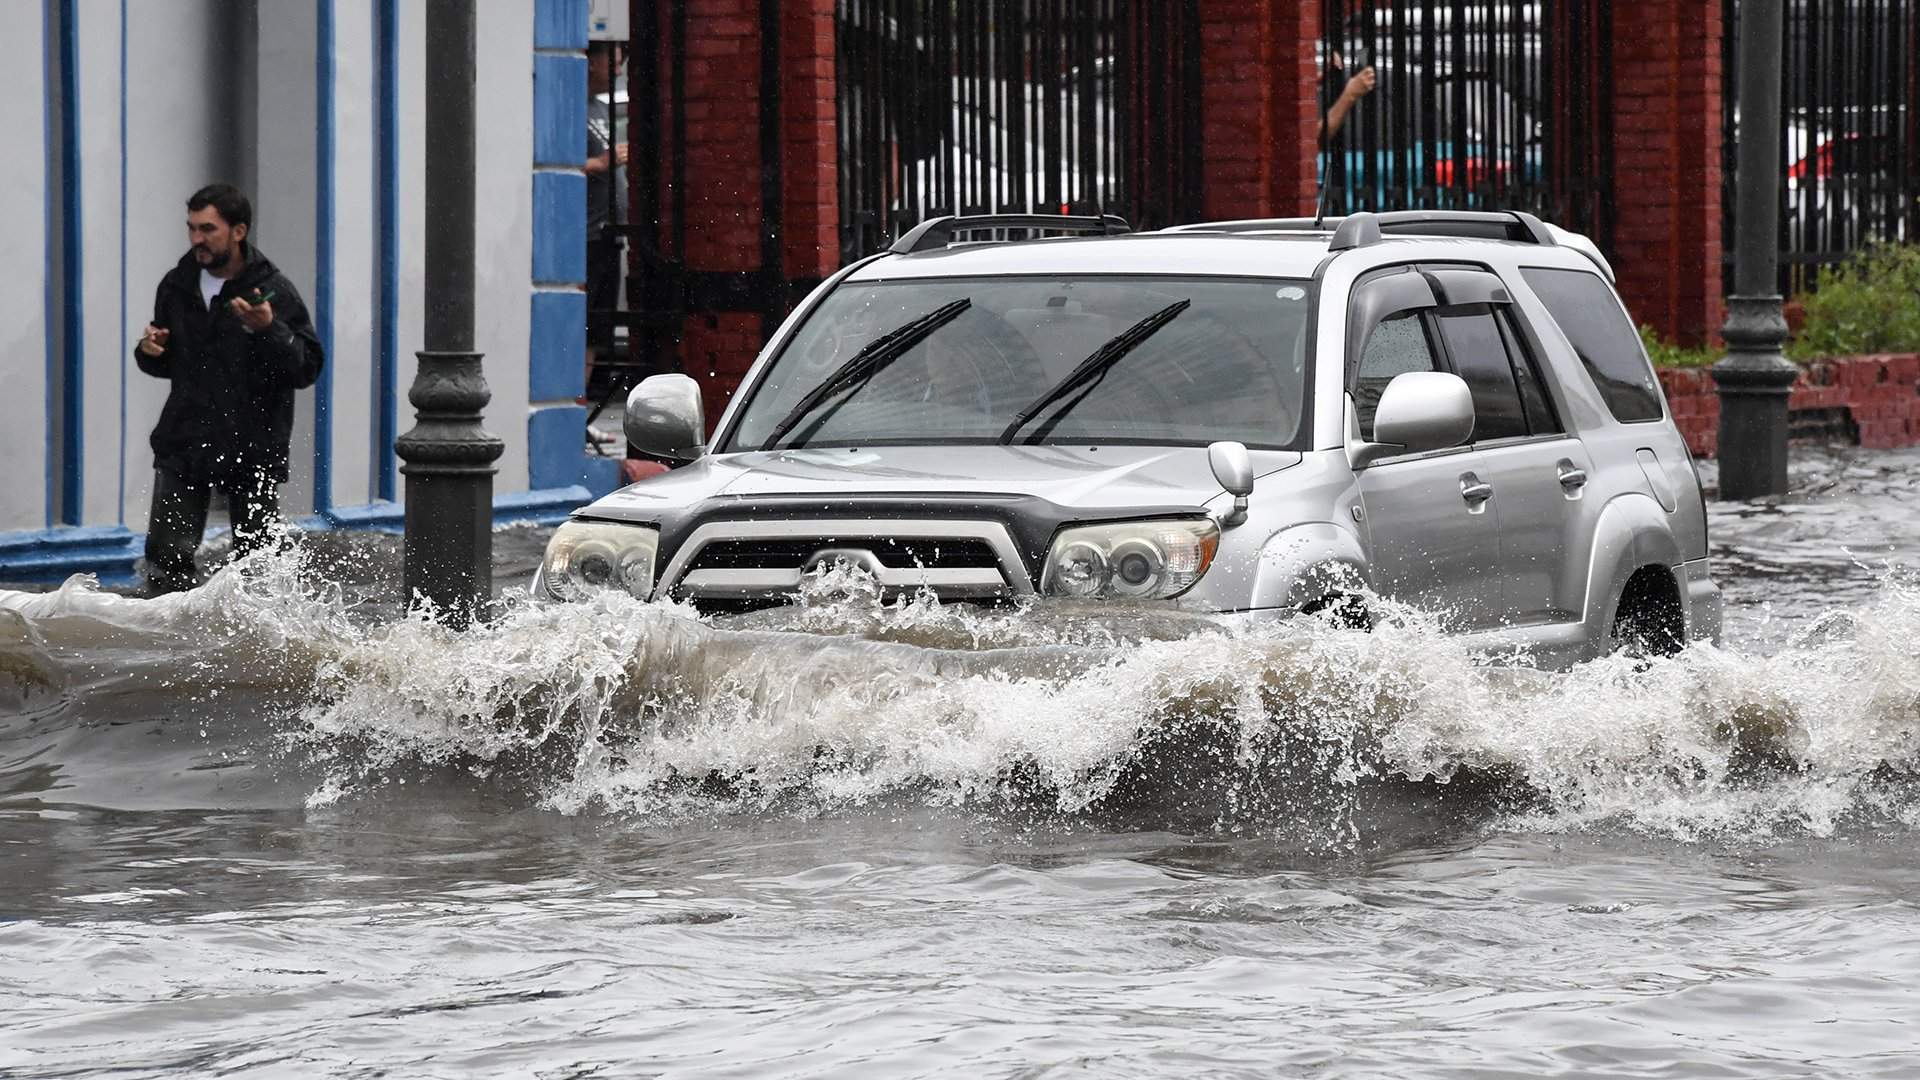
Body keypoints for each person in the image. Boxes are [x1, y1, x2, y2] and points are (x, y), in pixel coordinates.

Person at [133, 183, 325, 594]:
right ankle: (171, 646)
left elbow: (306, 367)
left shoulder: (271, 290)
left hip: (252, 445)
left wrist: (268, 328)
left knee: (258, 571)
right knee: (166, 563)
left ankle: (253, 649)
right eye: (192, 229)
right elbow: (175, 364)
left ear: (238, 231)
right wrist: (150, 351)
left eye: (208, 229)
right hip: (184, 440)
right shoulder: (177, 285)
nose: (197, 239)